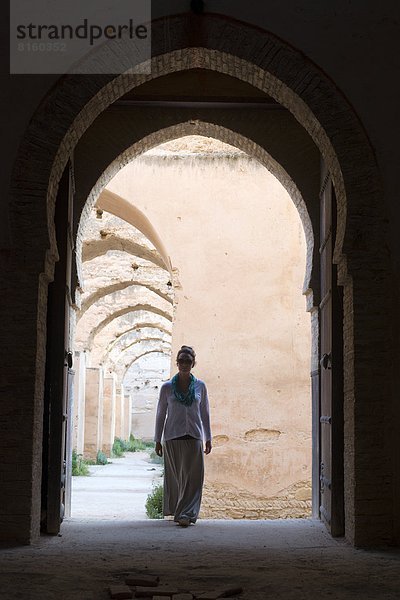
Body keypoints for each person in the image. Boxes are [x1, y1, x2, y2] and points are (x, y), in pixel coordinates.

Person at [154, 345, 212, 527]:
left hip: (194, 436)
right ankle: (179, 512)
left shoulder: (200, 387)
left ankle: (187, 513)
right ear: (177, 363)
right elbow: (160, 413)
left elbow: (205, 413)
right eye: (181, 361)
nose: (184, 364)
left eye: (188, 361)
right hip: (173, 437)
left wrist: (208, 437)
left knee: (194, 479)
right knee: (177, 478)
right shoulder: (167, 387)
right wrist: (157, 440)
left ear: (193, 363)